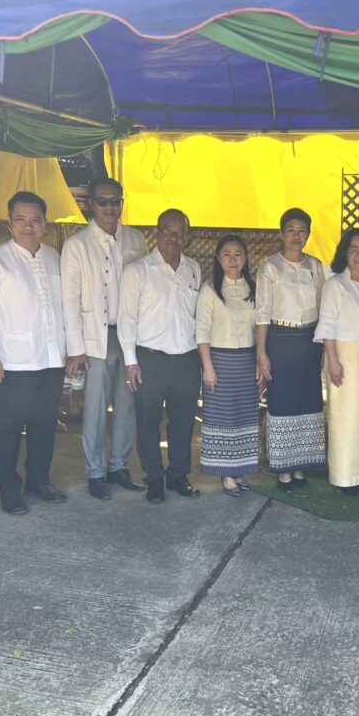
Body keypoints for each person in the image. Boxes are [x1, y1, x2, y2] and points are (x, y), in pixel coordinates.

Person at [0, 191, 67, 516]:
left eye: (35, 220)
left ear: (45, 223)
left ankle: (38, 480)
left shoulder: (54, 257)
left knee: (44, 424)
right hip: (14, 359)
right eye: (20, 220)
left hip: (52, 357)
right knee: (10, 428)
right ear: (9, 223)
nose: (28, 226)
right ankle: (9, 488)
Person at [61, 176, 148, 501]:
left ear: (122, 203)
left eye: (115, 201)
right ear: (91, 205)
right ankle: (95, 471)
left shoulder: (136, 239)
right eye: (103, 201)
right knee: (96, 409)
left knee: (127, 405)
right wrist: (75, 349)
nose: (110, 207)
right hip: (95, 338)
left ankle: (118, 466)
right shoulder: (77, 244)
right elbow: (69, 300)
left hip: (130, 338)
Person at [119, 209, 202, 504]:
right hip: (150, 359)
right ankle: (154, 478)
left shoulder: (193, 268)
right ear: (157, 233)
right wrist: (131, 361)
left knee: (183, 422)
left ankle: (178, 475)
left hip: (187, 359)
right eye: (167, 230)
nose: (173, 237)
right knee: (148, 422)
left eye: (180, 233)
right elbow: (126, 318)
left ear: (186, 237)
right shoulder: (137, 271)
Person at [255, 208, 326, 491]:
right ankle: (283, 468)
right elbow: (262, 313)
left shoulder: (315, 266)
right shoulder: (270, 267)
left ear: (309, 234)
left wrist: (323, 345)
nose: (297, 236)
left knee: (307, 400)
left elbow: (323, 306)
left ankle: (300, 465)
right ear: (281, 234)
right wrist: (262, 353)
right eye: (291, 230)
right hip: (280, 339)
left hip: (310, 339)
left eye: (302, 230)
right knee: (282, 401)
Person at [315, 228, 359, 495]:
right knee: (346, 418)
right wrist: (333, 361)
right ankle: (344, 476)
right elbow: (327, 325)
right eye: (354, 249)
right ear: (345, 252)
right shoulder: (336, 284)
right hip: (344, 358)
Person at [196, 235, 260, 496]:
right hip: (220, 362)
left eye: (238, 254)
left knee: (244, 418)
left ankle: (239, 469)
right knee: (223, 419)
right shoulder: (210, 290)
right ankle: (226, 473)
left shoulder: (254, 289)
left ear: (245, 258)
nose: (232, 260)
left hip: (246, 361)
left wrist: (259, 361)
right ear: (218, 258)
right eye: (226, 254)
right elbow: (202, 331)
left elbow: (259, 329)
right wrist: (208, 367)